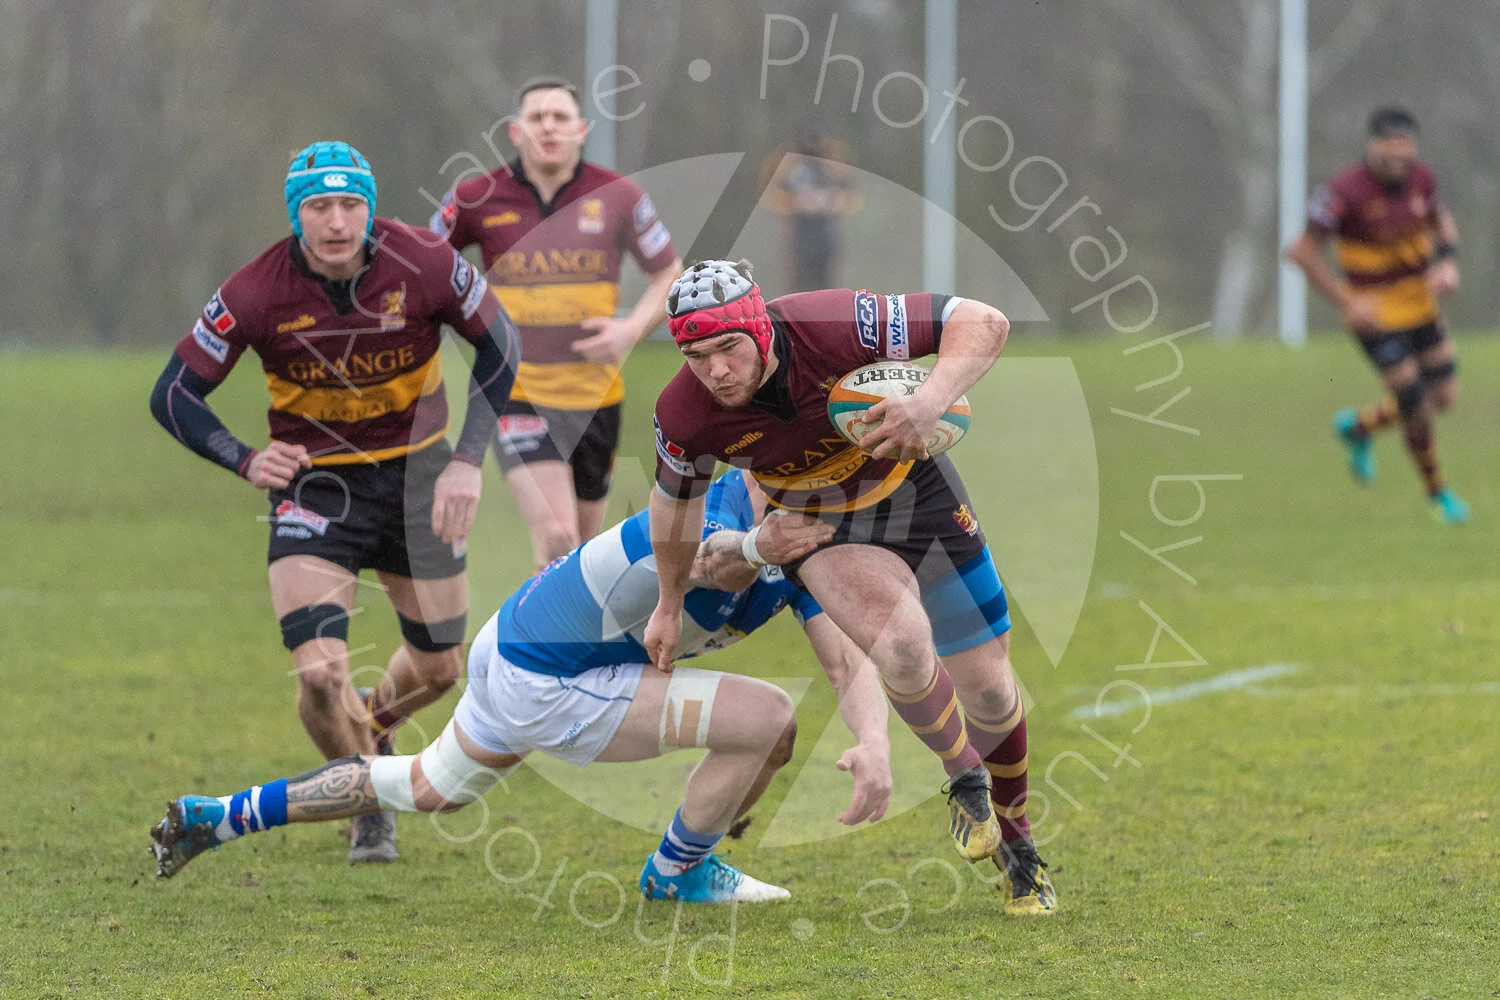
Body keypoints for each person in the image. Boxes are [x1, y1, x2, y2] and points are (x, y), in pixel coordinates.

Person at [150, 472, 893, 906]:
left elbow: (847, 661)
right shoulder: (716, 509)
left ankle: (217, 818)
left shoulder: (800, 542)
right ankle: (679, 873)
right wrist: (765, 547)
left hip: (513, 651)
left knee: (424, 786)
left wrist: (874, 743)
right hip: (546, 677)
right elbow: (711, 564)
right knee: (767, 717)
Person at [642, 260, 1056, 916]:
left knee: (990, 689)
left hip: (913, 490)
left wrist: (929, 399)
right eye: (696, 355)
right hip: (819, 526)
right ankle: (963, 778)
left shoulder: (831, 323)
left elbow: (984, 322)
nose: (716, 370)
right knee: (903, 648)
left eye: (727, 348)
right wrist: (668, 605)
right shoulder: (683, 413)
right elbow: (674, 508)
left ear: (761, 329)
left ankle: (1018, 840)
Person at [149, 140, 520, 865]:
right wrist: (245, 458)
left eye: (351, 204)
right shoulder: (256, 291)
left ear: (370, 209)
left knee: (442, 668)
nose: (337, 220)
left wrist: (469, 464)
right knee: (321, 677)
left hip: (418, 479)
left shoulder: (427, 263)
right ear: (297, 216)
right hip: (316, 490)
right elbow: (172, 392)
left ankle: (371, 726)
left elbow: (501, 347)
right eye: (319, 206)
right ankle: (369, 807)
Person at [431, 76, 683, 570]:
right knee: (557, 533)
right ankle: (528, 648)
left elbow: (669, 274)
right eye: (537, 117)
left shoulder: (619, 195)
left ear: (581, 129)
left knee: (579, 559)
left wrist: (629, 331)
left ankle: (544, 642)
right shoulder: (476, 196)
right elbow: (427, 270)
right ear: (516, 132)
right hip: (515, 390)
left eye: (560, 117)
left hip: (596, 398)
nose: (549, 126)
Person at [1284, 106, 1467, 523]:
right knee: (1413, 400)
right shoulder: (1342, 191)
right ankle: (1438, 495)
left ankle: (1358, 428)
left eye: (1406, 155)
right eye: (1390, 155)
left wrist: (1448, 261)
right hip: (1376, 315)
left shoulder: (1422, 179)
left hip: (1421, 305)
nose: (1399, 164)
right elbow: (1300, 252)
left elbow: (1441, 222)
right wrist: (1346, 301)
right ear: (1373, 147)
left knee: (1444, 397)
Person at [760, 128, 859, 291]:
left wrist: (829, 202)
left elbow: (851, 196)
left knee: (826, 285)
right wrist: (798, 203)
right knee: (798, 285)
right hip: (799, 235)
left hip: (826, 235)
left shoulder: (833, 160)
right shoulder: (787, 161)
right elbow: (770, 194)